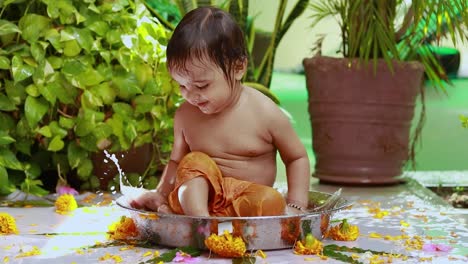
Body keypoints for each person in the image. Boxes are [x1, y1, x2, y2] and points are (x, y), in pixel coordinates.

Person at [130, 6, 310, 217]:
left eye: (202, 85)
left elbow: (296, 157)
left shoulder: (264, 112)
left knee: (272, 201)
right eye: (182, 86)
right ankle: (201, 221)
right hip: (197, 203)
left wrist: (297, 204)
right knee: (195, 161)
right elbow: (177, 162)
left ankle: (206, 221)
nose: (191, 95)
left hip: (245, 204)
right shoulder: (185, 115)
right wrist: (161, 192)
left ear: (238, 68)